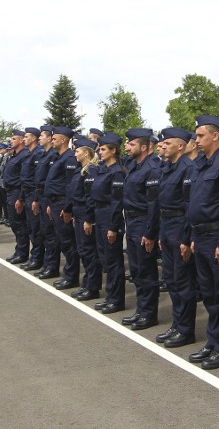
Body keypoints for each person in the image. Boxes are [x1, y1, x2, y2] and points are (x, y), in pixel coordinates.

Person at [182, 115, 219, 370]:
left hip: (218, 238)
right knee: (209, 296)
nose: (196, 140)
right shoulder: (200, 165)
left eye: (200, 136)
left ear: (215, 136)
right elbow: (194, 204)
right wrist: (193, 237)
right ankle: (213, 342)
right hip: (202, 237)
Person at [154, 127, 198, 348]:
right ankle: (177, 323)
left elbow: (189, 206)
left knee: (183, 282)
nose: (163, 147)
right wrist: (162, 233)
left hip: (180, 227)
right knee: (171, 280)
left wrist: (185, 238)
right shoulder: (168, 167)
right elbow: (163, 203)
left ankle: (186, 329)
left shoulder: (188, 168)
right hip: (167, 226)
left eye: (168, 143)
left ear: (180, 146)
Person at [120, 128, 162, 331]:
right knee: (137, 270)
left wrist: (150, 233)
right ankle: (141, 310)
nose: (127, 147)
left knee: (146, 271)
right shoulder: (136, 167)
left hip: (143, 222)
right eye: (127, 144)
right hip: (133, 222)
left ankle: (148, 314)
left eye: (131, 144)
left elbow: (154, 205)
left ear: (144, 147)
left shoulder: (152, 168)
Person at [89, 133, 127, 314]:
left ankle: (117, 299)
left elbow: (117, 202)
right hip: (100, 215)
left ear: (114, 151)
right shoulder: (104, 169)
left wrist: (113, 226)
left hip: (109, 217)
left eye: (103, 149)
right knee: (105, 258)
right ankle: (110, 296)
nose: (100, 151)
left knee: (113, 261)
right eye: (100, 148)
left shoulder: (117, 172)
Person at [44, 126, 81, 290]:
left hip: (62, 204)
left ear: (64, 139)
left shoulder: (70, 158)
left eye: (55, 138)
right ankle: (68, 274)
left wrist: (67, 208)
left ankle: (71, 276)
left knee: (68, 242)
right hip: (55, 202)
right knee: (61, 240)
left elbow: (70, 186)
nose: (52, 140)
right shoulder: (59, 157)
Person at [69, 138, 102, 301]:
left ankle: (92, 287)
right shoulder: (81, 169)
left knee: (89, 251)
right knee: (83, 250)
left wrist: (88, 219)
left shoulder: (92, 170)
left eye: (77, 151)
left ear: (87, 153)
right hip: (78, 212)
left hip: (85, 213)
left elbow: (90, 197)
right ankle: (87, 284)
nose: (75, 153)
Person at [33, 126, 61, 280]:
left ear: (50, 138)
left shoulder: (53, 156)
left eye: (42, 136)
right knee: (44, 232)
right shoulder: (45, 155)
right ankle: (46, 264)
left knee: (51, 235)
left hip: (49, 198)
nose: (39, 139)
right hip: (42, 197)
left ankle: (52, 267)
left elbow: (52, 182)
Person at [3, 130, 31, 264]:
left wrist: (20, 198)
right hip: (10, 192)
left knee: (19, 224)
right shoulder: (14, 155)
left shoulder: (24, 156)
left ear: (21, 141)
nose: (11, 141)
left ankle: (22, 253)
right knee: (14, 224)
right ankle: (19, 250)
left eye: (14, 139)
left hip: (17, 192)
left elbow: (23, 179)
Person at [19, 127, 44, 271]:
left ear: (34, 138)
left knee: (36, 229)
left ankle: (37, 259)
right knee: (31, 227)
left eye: (27, 137)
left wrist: (35, 199)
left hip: (34, 195)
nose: (24, 139)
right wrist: (21, 197)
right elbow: (25, 179)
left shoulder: (38, 154)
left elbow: (37, 179)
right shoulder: (28, 154)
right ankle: (34, 257)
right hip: (27, 194)